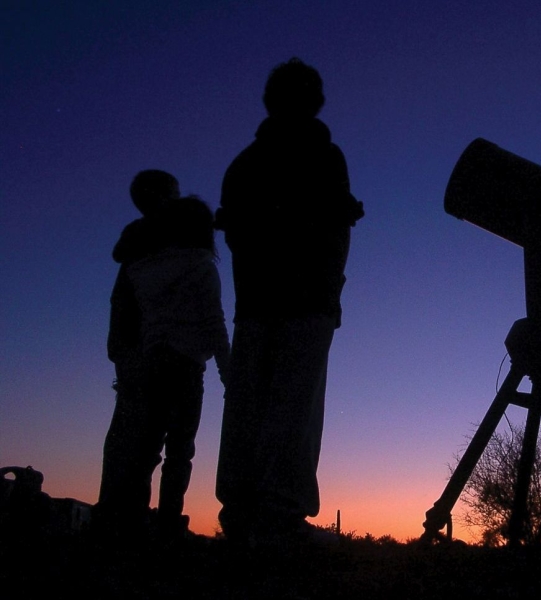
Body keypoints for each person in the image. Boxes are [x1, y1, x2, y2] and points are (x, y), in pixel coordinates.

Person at [214, 58, 364, 547]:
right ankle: (278, 516)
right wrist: (329, 292)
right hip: (305, 301)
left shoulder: (243, 165)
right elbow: (335, 233)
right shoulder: (325, 157)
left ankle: (241, 512)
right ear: (315, 101)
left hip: (255, 302)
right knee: (294, 409)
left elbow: (236, 236)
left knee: (248, 407)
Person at [97, 192, 230, 543]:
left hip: (151, 363)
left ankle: (133, 521)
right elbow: (214, 323)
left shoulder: (145, 270)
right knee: (180, 450)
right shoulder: (201, 267)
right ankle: (169, 523)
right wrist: (226, 370)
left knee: (146, 448)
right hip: (186, 367)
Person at [96, 170, 180, 540]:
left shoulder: (139, 243)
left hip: (139, 347)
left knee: (139, 434)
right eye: (171, 192)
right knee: (138, 434)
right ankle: (120, 515)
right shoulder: (154, 242)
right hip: (143, 348)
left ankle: (124, 513)